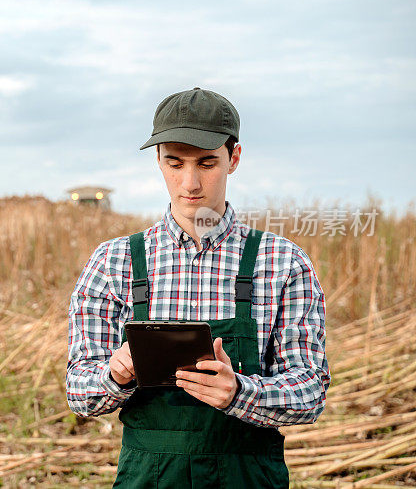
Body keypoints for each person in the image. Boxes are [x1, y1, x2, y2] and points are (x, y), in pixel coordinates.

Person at [65, 87, 330, 488]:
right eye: (175, 163)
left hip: (248, 478)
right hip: (147, 478)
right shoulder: (113, 261)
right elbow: (79, 394)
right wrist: (115, 374)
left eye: (207, 163)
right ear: (158, 161)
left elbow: (309, 392)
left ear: (234, 159)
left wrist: (239, 392)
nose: (190, 183)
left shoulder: (282, 262)